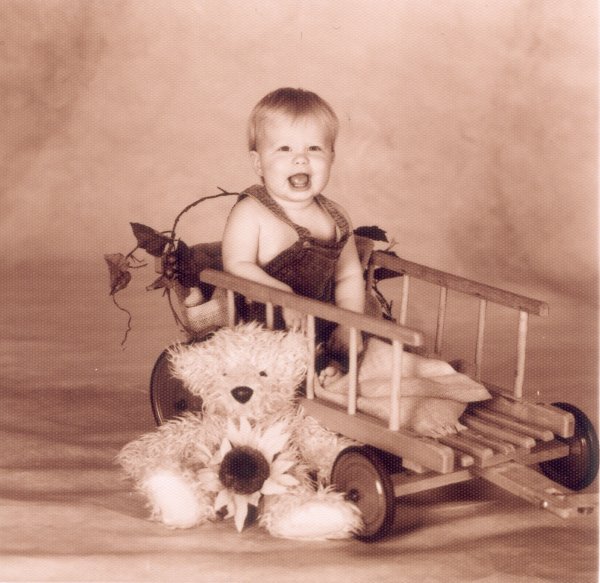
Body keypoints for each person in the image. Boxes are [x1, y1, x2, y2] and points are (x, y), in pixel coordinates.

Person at [222, 87, 365, 371]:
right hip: (264, 335)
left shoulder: (336, 218)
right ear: (258, 163)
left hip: (324, 331)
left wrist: (350, 326)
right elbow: (236, 265)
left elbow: (348, 276)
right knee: (284, 370)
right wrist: (284, 296)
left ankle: (333, 374)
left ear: (332, 157)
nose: (301, 158)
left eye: (314, 148)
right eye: (284, 149)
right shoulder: (251, 212)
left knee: (367, 359)